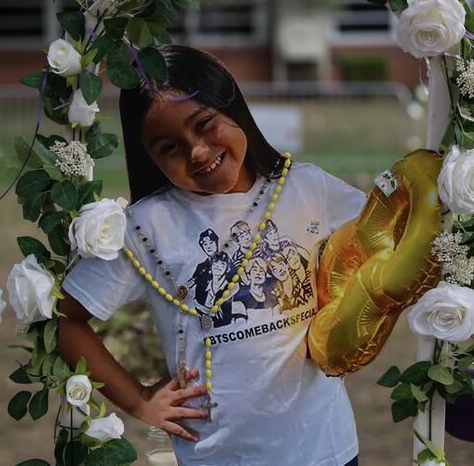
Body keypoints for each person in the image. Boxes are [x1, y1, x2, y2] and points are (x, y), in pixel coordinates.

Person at [59, 45, 365, 466]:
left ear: (232, 105)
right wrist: (140, 400)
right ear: (148, 156)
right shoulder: (147, 228)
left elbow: (382, 246)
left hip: (326, 450)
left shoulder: (308, 189)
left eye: (204, 124)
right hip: (218, 457)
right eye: (169, 147)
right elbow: (66, 320)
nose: (197, 152)